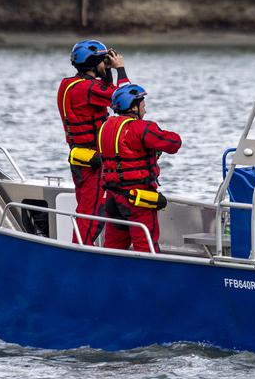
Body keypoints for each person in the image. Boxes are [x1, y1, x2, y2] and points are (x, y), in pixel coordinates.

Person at [97, 83, 183, 253]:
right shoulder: (141, 128)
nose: (145, 111)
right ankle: (150, 278)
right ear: (134, 107)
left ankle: (109, 276)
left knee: (113, 248)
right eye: (143, 106)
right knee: (146, 247)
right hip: (137, 199)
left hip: (113, 198)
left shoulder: (105, 126)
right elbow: (174, 143)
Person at [57, 40, 127, 244]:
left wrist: (106, 71)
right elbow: (124, 99)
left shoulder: (68, 85)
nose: (106, 64)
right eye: (102, 61)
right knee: (93, 214)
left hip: (79, 158)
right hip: (93, 161)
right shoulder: (88, 89)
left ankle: (80, 249)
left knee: (86, 207)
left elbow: (103, 92)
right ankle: (79, 253)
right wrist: (119, 68)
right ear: (94, 62)